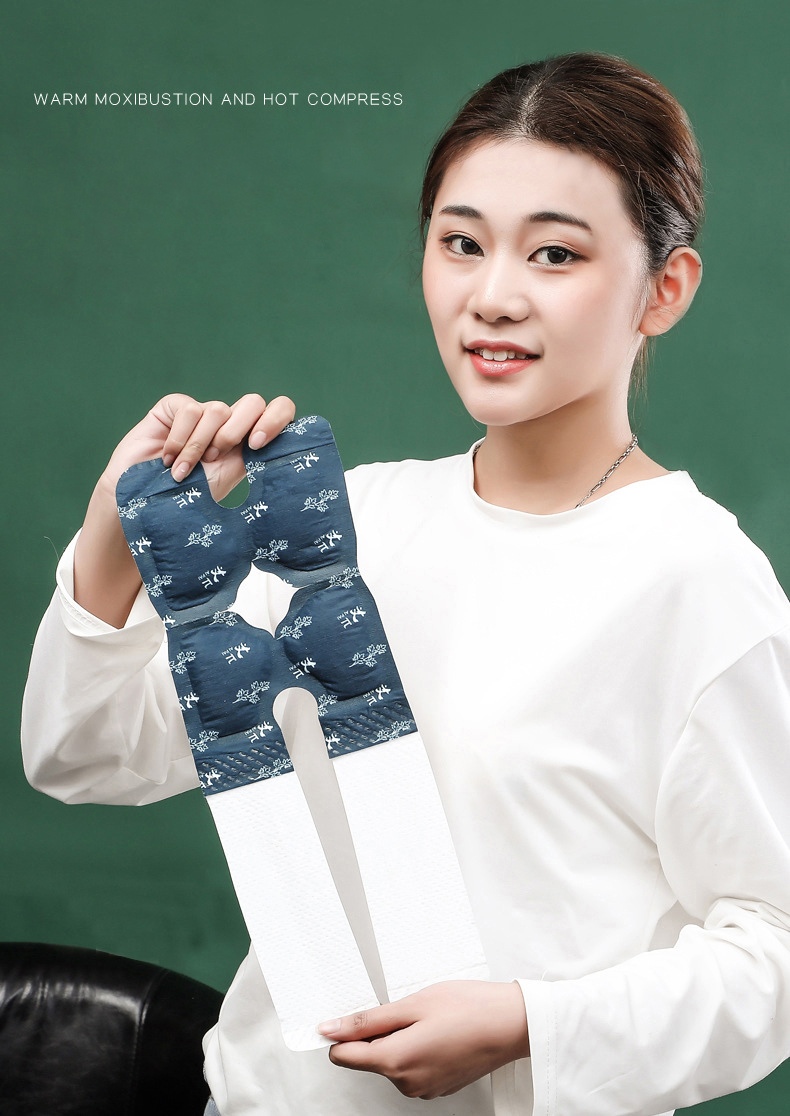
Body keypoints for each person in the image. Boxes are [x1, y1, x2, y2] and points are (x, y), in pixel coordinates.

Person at [21, 51, 790, 1116]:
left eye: (555, 254)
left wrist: (530, 1023)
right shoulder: (350, 524)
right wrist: (116, 525)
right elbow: (80, 754)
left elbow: (773, 953)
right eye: (460, 243)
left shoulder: (697, 579)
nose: (492, 297)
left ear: (664, 289)